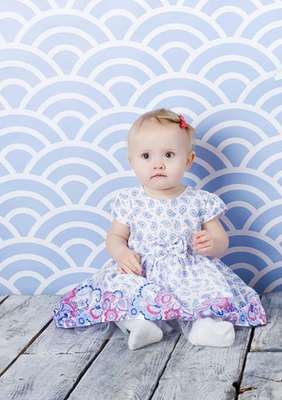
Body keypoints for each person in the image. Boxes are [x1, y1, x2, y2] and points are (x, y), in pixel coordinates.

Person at [53, 108, 267, 350]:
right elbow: (115, 236)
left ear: (188, 160)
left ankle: (204, 327)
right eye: (146, 156)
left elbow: (220, 239)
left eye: (168, 154)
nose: (157, 164)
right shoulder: (129, 201)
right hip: (142, 269)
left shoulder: (200, 200)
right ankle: (141, 324)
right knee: (122, 291)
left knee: (207, 294)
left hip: (189, 271)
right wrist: (122, 254)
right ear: (132, 162)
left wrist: (212, 243)